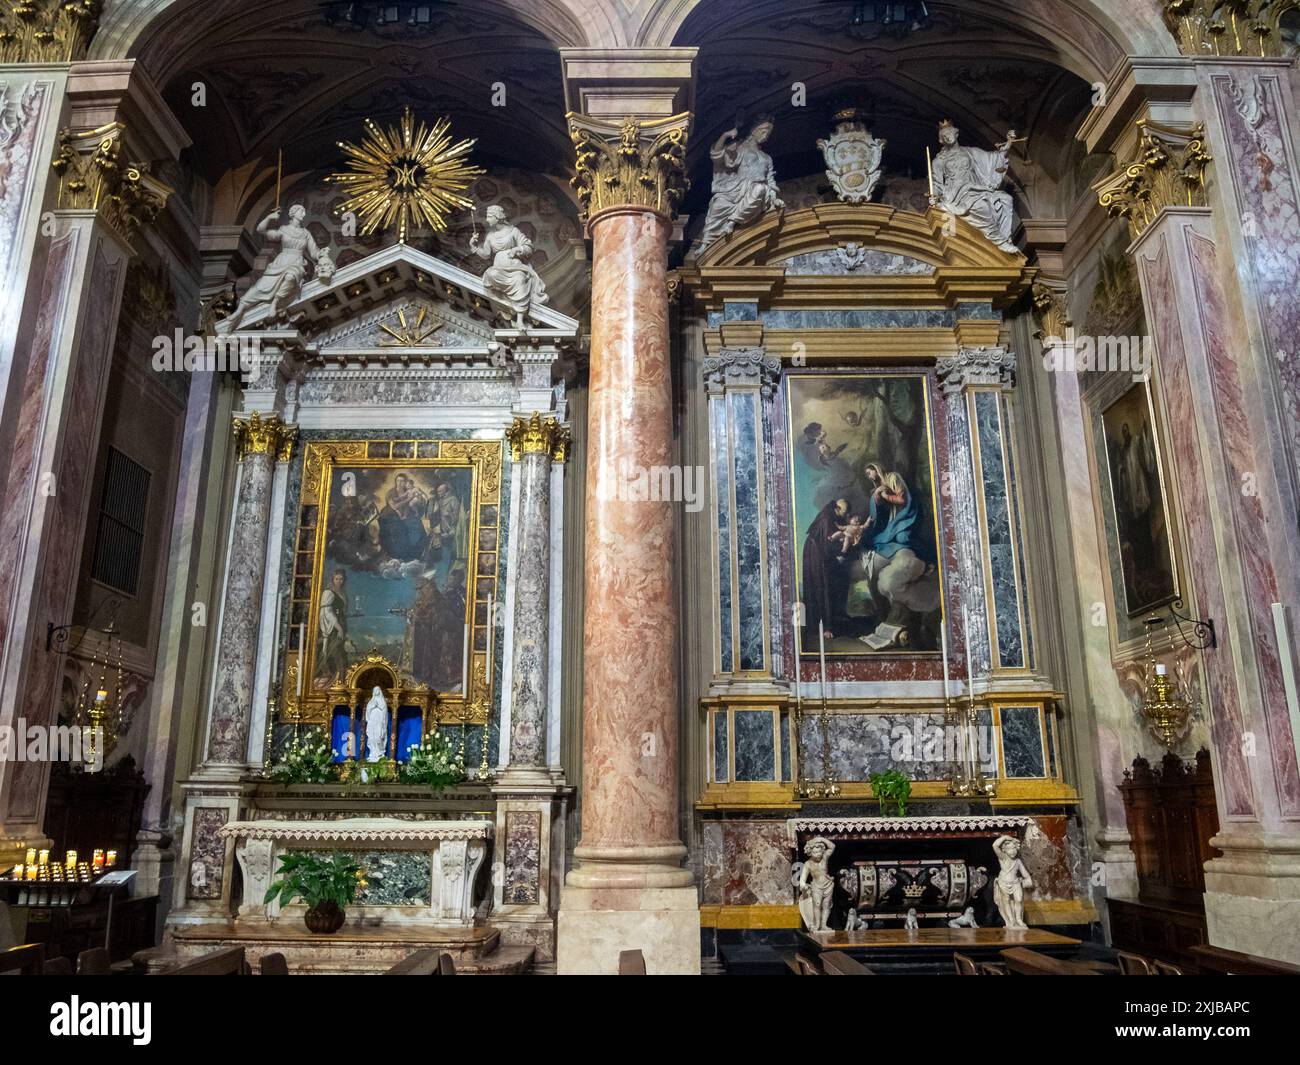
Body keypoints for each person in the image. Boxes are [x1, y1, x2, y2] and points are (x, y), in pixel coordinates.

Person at [218, 205, 333, 333]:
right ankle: (239, 310)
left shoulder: (306, 234)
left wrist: (322, 254)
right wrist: (269, 217)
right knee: (260, 287)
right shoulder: (283, 230)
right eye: (302, 211)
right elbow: (261, 230)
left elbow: (314, 252)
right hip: (281, 261)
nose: (304, 214)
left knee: (290, 276)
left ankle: (275, 302)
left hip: (296, 262)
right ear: (293, 213)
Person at [693, 114, 784, 255]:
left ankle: (731, 222)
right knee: (718, 205)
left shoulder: (767, 158)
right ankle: (706, 245)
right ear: (754, 131)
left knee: (759, 189)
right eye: (764, 131)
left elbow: (770, 180)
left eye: (769, 133)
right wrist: (725, 135)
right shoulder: (740, 148)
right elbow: (717, 155)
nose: (766, 136)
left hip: (757, 188)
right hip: (736, 188)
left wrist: (774, 197)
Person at [931, 120, 1020, 253]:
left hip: (976, 187)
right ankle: (999, 241)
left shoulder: (970, 152)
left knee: (1006, 200)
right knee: (982, 207)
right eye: (944, 135)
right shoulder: (939, 161)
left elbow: (993, 158)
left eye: (949, 133)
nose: (947, 136)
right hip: (957, 194)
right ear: (941, 140)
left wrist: (1009, 142)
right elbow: (937, 183)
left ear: (956, 133)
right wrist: (935, 197)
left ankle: (1005, 238)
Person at [470, 205, 549, 320]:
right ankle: (503, 304)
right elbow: (486, 254)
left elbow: (529, 247)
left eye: (489, 217)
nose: (487, 220)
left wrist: (517, 249)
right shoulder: (490, 236)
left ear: (497, 217)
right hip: (498, 268)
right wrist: (474, 246)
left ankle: (520, 320)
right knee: (490, 275)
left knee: (519, 279)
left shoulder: (513, 231)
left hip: (515, 267)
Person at [991, 835, 1034, 929]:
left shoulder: (1018, 861)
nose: (1013, 851)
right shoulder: (1003, 858)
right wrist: (1005, 837)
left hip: (1015, 883)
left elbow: (1026, 875)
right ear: (1005, 850)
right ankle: (1010, 921)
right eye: (1010, 849)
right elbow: (995, 845)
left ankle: (1018, 919)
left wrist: (1027, 881)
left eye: (1014, 848)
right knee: (1006, 901)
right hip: (1003, 883)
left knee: (1018, 899)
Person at [317, 570, 350, 683]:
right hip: (333, 627)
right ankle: (337, 680)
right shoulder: (328, 593)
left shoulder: (341, 592)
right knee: (337, 652)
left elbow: (339, 610)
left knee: (340, 651)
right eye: (337, 579)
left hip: (340, 624)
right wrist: (339, 628)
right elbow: (328, 613)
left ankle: (340, 680)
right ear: (332, 579)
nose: (339, 581)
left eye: (341, 579)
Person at [798, 837, 836, 932]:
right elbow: (803, 878)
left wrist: (821, 839)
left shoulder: (824, 858)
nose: (818, 855)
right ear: (810, 852)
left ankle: (824, 925)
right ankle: (817, 924)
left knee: (826, 905)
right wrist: (803, 885)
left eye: (819, 852)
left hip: (828, 885)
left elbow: (832, 846)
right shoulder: (808, 864)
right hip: (816, 886)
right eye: (815, 853)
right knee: (817, 905)